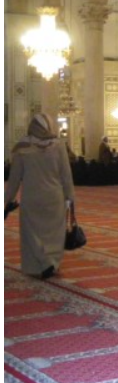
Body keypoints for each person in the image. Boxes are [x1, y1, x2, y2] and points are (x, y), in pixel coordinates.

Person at [4, 114, 75, 279]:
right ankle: (51, 262)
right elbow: (66, 175)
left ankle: (40, 264)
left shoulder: (22, 146)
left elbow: (14, 179)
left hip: (32, 198)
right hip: (54, 197)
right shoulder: (58, 145)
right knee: (54, 233)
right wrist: (70, 197)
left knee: (32, 233)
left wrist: (6, 202)